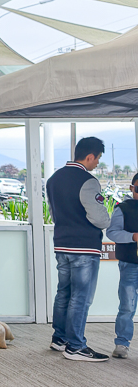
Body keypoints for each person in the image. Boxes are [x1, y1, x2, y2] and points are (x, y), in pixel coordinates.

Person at [47, 136, 112, 361]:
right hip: (84, 247)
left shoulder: (53, 179)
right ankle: (75, 347)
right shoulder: (88, 181)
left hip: (62, 244)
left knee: (64, 292)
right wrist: (108, 217)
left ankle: (59, 339)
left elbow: (54, 213)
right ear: (90, 156)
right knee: (81, 297)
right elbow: (100, 218)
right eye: (98, 159)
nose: (97, 164)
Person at [107, 172, 138, 359]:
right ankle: (122, 343)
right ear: (131, 188)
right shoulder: (123, 209)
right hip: (130, 265)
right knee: (127, 306)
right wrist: (132, 237)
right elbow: (112, 232)